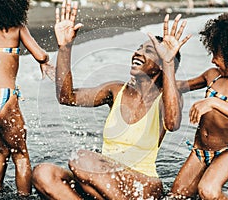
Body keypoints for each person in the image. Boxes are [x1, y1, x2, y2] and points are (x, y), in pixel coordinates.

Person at [32, 0, 191, 199]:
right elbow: (67, 97)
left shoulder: (166, 98)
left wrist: (168, 61)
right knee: (43, 173)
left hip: (144, 184)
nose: (138, 53)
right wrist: (65, 47)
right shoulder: (115, 90)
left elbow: (172, 123)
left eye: (148, 52)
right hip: (104, 181)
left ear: (161, 65)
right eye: (139, 48)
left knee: (81, 158)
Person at [168, 11, 228, 199]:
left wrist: (213, 102)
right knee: (176, 196)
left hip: (226, 152)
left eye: (216, 54)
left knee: (208, 190)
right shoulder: (213, 76)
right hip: (200, 150)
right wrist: (169, 61)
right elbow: (177, 87)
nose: (212, 59)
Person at [0, 0, 54, 196]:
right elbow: (40, 55)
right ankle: (24, 197)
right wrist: (45, 62)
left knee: (3, 149)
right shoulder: (17, 29)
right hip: (3, 99)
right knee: (20, 155)